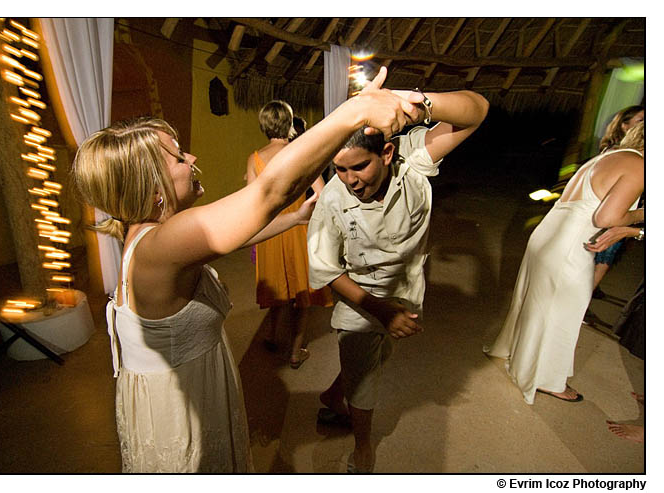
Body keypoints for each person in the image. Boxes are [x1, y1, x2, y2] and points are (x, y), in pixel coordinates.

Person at [71, 66, 422, 472]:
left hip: (182, 389)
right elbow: (271, 190)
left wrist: (293, 220)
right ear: (151, 187)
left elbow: (234, 236)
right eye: (179, 155)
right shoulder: (162, 246)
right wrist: (353, 113)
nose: (193, 157)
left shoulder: (149, 239)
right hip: (183, 412)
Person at [307, 88, 489, 472]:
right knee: (365, 378)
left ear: (387, 153)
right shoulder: (333, 200)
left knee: (373, 360)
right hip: (361, 301)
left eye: (359, 167)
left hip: (406, 293)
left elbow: (477, 111)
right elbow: (326, 271)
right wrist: (380, 311)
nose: (350, 180)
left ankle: (331, 396)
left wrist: (417, 100)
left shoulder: (414, 159)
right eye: (339, 169)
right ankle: (362, 446)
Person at [484, 122, 644, 404]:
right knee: (565, 312)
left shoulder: (609, 155)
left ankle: (514, 352)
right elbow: (606, 219)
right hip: (572, 246)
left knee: (534, 302)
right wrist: (641, 214)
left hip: (549, 235)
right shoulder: (639, 166)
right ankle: (548, 380)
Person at [246, 100, 332, 369]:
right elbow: (323, 192)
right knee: (301, 293)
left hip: (271, 231)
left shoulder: (255, 158)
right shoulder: (301, 153)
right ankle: (296, 351)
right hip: (298, 228)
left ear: (264, 125)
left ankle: (271, 336)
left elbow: (252, 200)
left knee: (278, 288)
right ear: (289, 122)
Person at [590, 106, 644, 295]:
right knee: (601, 262)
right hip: (613, 215)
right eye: (640, 120)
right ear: (624, 125)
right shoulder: (625, 156)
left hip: (616, 215)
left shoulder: (618, 154)